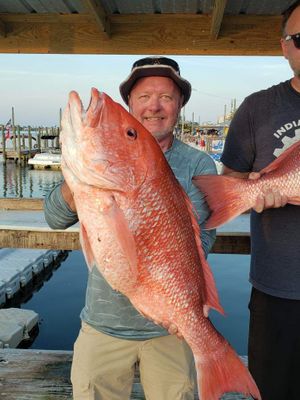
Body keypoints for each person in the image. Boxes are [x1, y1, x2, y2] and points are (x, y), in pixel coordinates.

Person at [44, 56, 217, 400]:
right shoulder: (95, 168)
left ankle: (214, 359)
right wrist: (78, 183)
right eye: (144, 97)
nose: (155, 106)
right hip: (102, 325)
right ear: (130, 104)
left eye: (166, 97)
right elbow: (54, 218)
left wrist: (181, 305)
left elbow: (204, 236)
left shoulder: (198, 162)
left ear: (179, 105)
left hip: (171, 330)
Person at [220, 1, 300, 399]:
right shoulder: (257, 108)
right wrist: (254, 192)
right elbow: (230, 183)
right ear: (284, 46)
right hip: (275, 292)